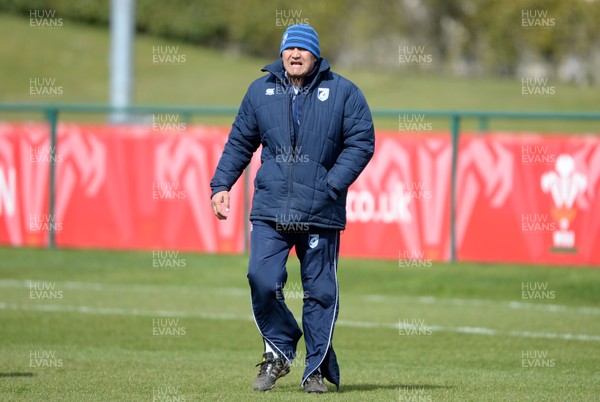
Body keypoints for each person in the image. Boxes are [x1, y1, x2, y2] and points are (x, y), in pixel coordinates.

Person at [210, 24, 375, 393]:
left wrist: (330, 184)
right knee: (261, 278)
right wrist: (221, 185)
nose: (295, 55)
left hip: (320, 211)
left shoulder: (344, 92)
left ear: (316, 55)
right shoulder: (259, 91)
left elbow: (362, 141)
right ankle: (280, 350)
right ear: (281, 54)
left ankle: (314, 369)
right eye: (289, 49)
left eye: (303, 50)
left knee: (321, 293)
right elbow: (239, 142)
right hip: (270, 209)